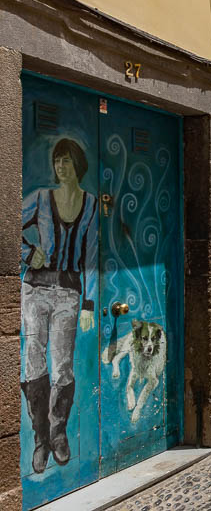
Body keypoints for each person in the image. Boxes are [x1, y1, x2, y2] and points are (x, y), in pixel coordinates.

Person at [21, 138, 97, 473]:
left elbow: (93, 256)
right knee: (33, 361)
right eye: (57, 161)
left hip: (68, 292)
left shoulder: (91, 204)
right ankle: (40, 439)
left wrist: (89, 304)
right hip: (35, 288)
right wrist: (26, 252)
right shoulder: (39, 198)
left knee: (62, 364)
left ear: (77, 164)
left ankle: (58, 432)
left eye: (66, 161)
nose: (60, 167)